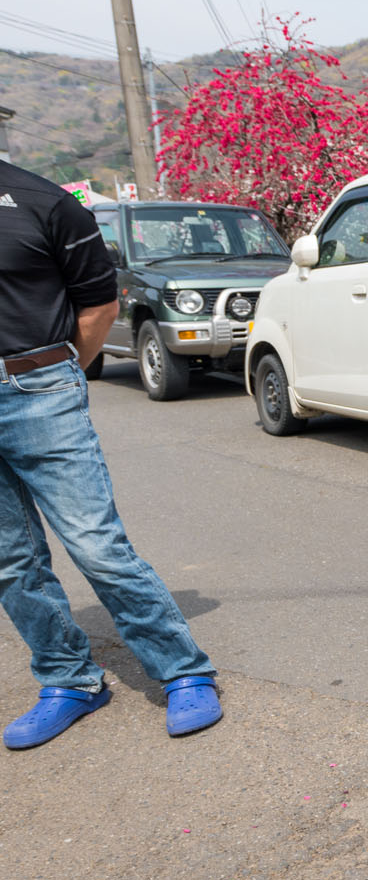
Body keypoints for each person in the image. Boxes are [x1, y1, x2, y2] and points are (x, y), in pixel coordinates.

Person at [0, 160, 221, 748]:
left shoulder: (43, 203)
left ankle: (183, 671)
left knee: (97, 547)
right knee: (10, 561)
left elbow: (98, 306)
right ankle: (69, 680)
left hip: (37, 388)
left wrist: (58, 376)